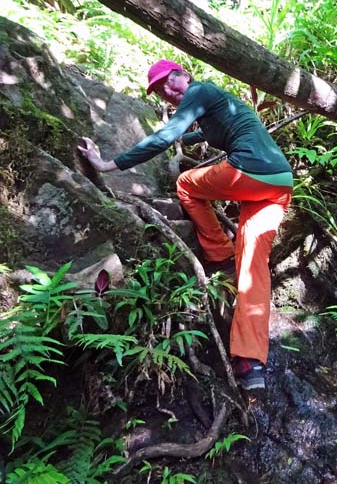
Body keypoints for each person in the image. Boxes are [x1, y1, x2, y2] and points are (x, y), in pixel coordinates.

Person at [78, 59, 293, 390]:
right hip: (278, 184)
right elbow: (198, 132)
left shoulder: (200, 90)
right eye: (160, 89)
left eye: (169, 81)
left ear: (185, 76)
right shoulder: (212, 103)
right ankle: (251, 364)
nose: (167, 91)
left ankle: (218, 253)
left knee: (186, 184)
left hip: (250, 172)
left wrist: (108, 164)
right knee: (252, 267)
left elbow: (167, 136)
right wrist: (186, 140)